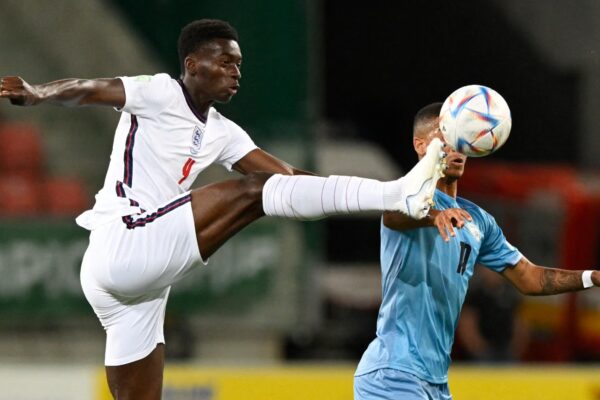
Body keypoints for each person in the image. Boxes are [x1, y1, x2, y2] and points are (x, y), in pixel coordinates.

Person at [0, 19, 446, 400]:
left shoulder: (222, 131)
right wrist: (38, 92)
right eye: (226, 62)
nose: (236, 72)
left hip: (138, 285)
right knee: (254, 193)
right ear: (193, 64)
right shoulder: (160, 92)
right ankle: (398, 193)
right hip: (125, 242)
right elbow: (90, 89)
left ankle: (395, 195)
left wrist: (362, 198)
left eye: (239, 64)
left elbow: (289, 177)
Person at [353, 102, 600, 400]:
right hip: (393, 373)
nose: (455, 147)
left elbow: (530, 278)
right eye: (445, 138)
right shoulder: (406, 195)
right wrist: (434, 215)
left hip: (434, 381)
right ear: (420, 145)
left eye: (461, 138)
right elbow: (394, 214)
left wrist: (592, 277)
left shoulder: (478, 221)